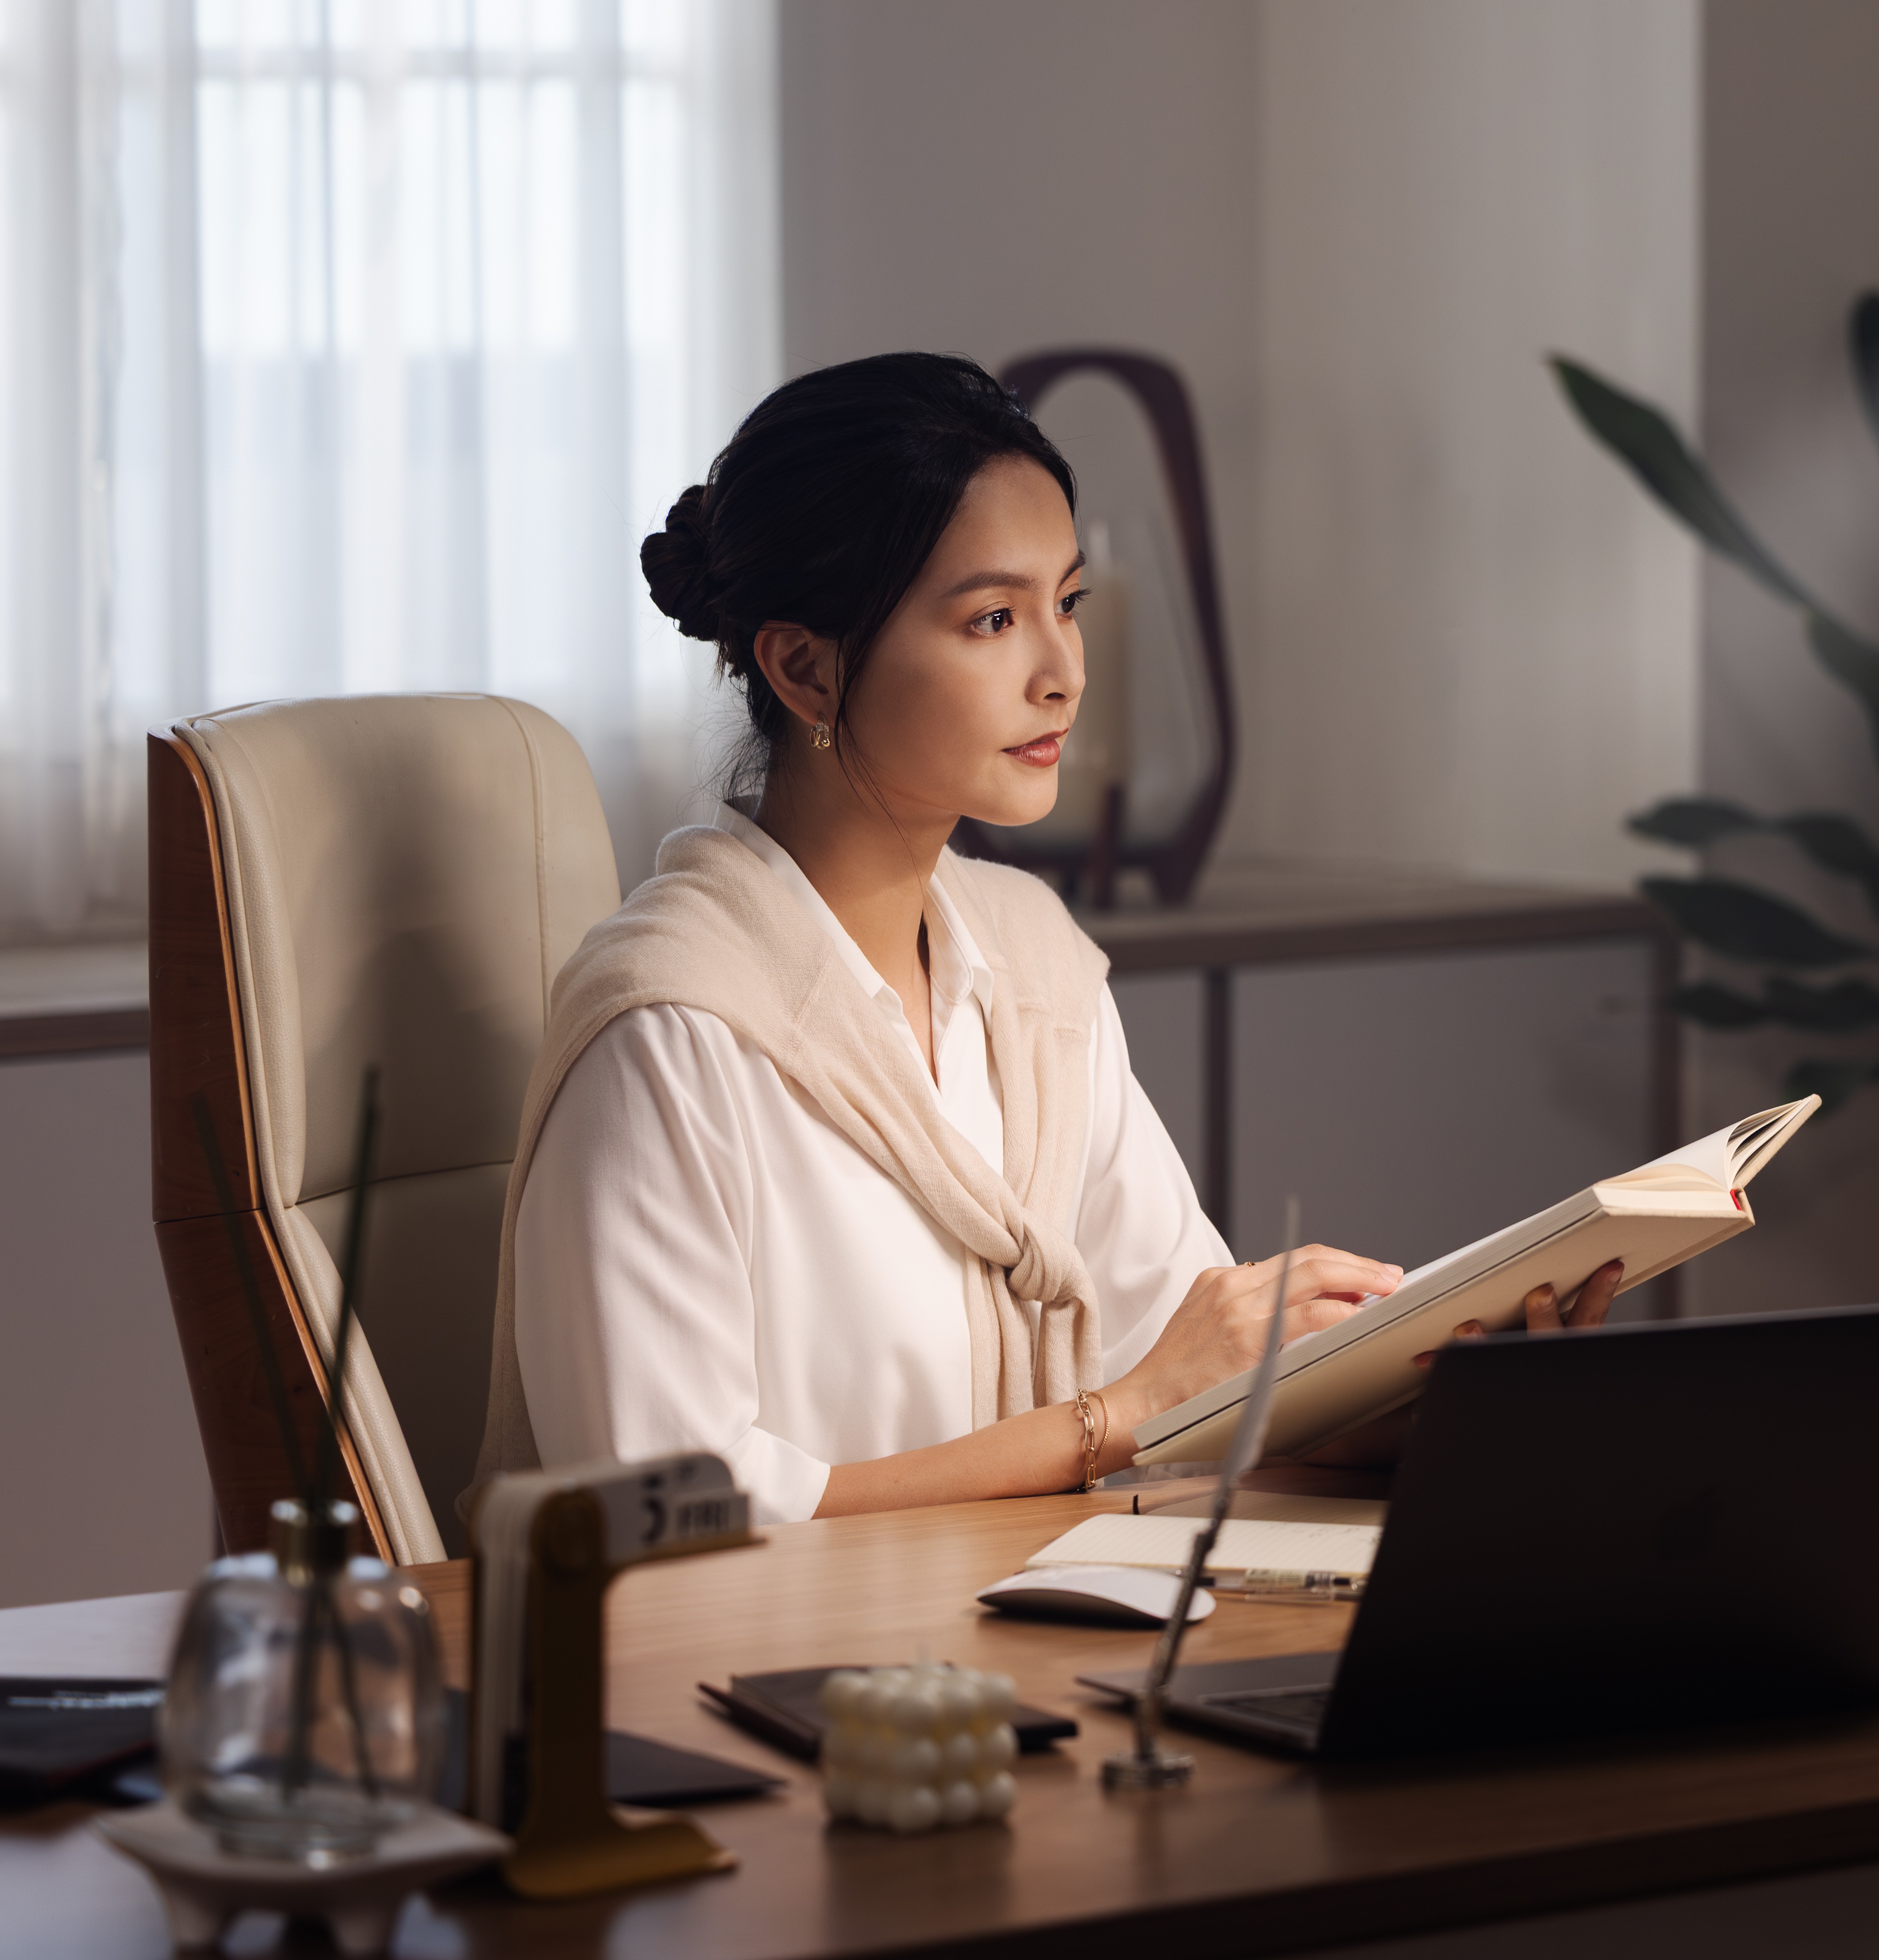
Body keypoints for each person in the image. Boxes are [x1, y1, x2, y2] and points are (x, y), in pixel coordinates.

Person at [470, 353, 1613, 1521]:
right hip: (763, 1683)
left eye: (1066, 605)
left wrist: (1457, 1386)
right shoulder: (668, 1032)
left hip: (1029, 1648)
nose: (1062, 672)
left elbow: (1200, 1393)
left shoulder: (1035, 971)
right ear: (804, 668)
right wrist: (1108, 1421)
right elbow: (660, 1514)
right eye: (992, 619)